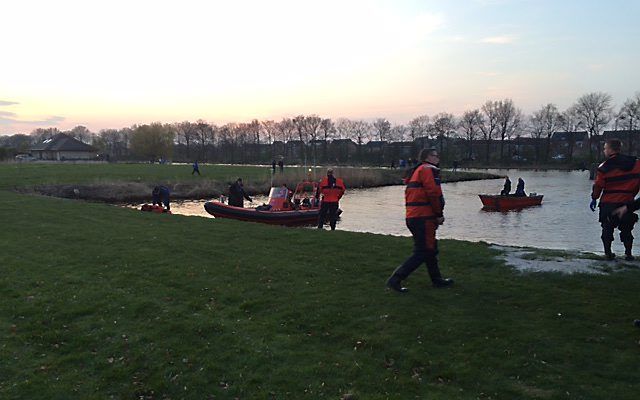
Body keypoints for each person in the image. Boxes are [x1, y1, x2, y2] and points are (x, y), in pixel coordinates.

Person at [386, 148, 453, 292]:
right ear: (428, 157)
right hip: (424, 217)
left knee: (430, 249)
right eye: (436, 156)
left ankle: (436, 279)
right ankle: (396, 279)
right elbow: (434, 193)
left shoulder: (415, 172)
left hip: (414, 216)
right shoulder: (429, 170)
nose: (438, 158)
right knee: (424, 250)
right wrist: (438, 213)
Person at [590, 139, 640, 260]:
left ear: (610, 150)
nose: (604, 151)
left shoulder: (604, 167)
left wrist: (594, 198)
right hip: (627, 202)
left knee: (607, 228)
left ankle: (608, 253)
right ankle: (628, 254)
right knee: (627, 229)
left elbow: (598, 185)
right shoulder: (636, 164)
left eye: (605, 148)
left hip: (608, 202)